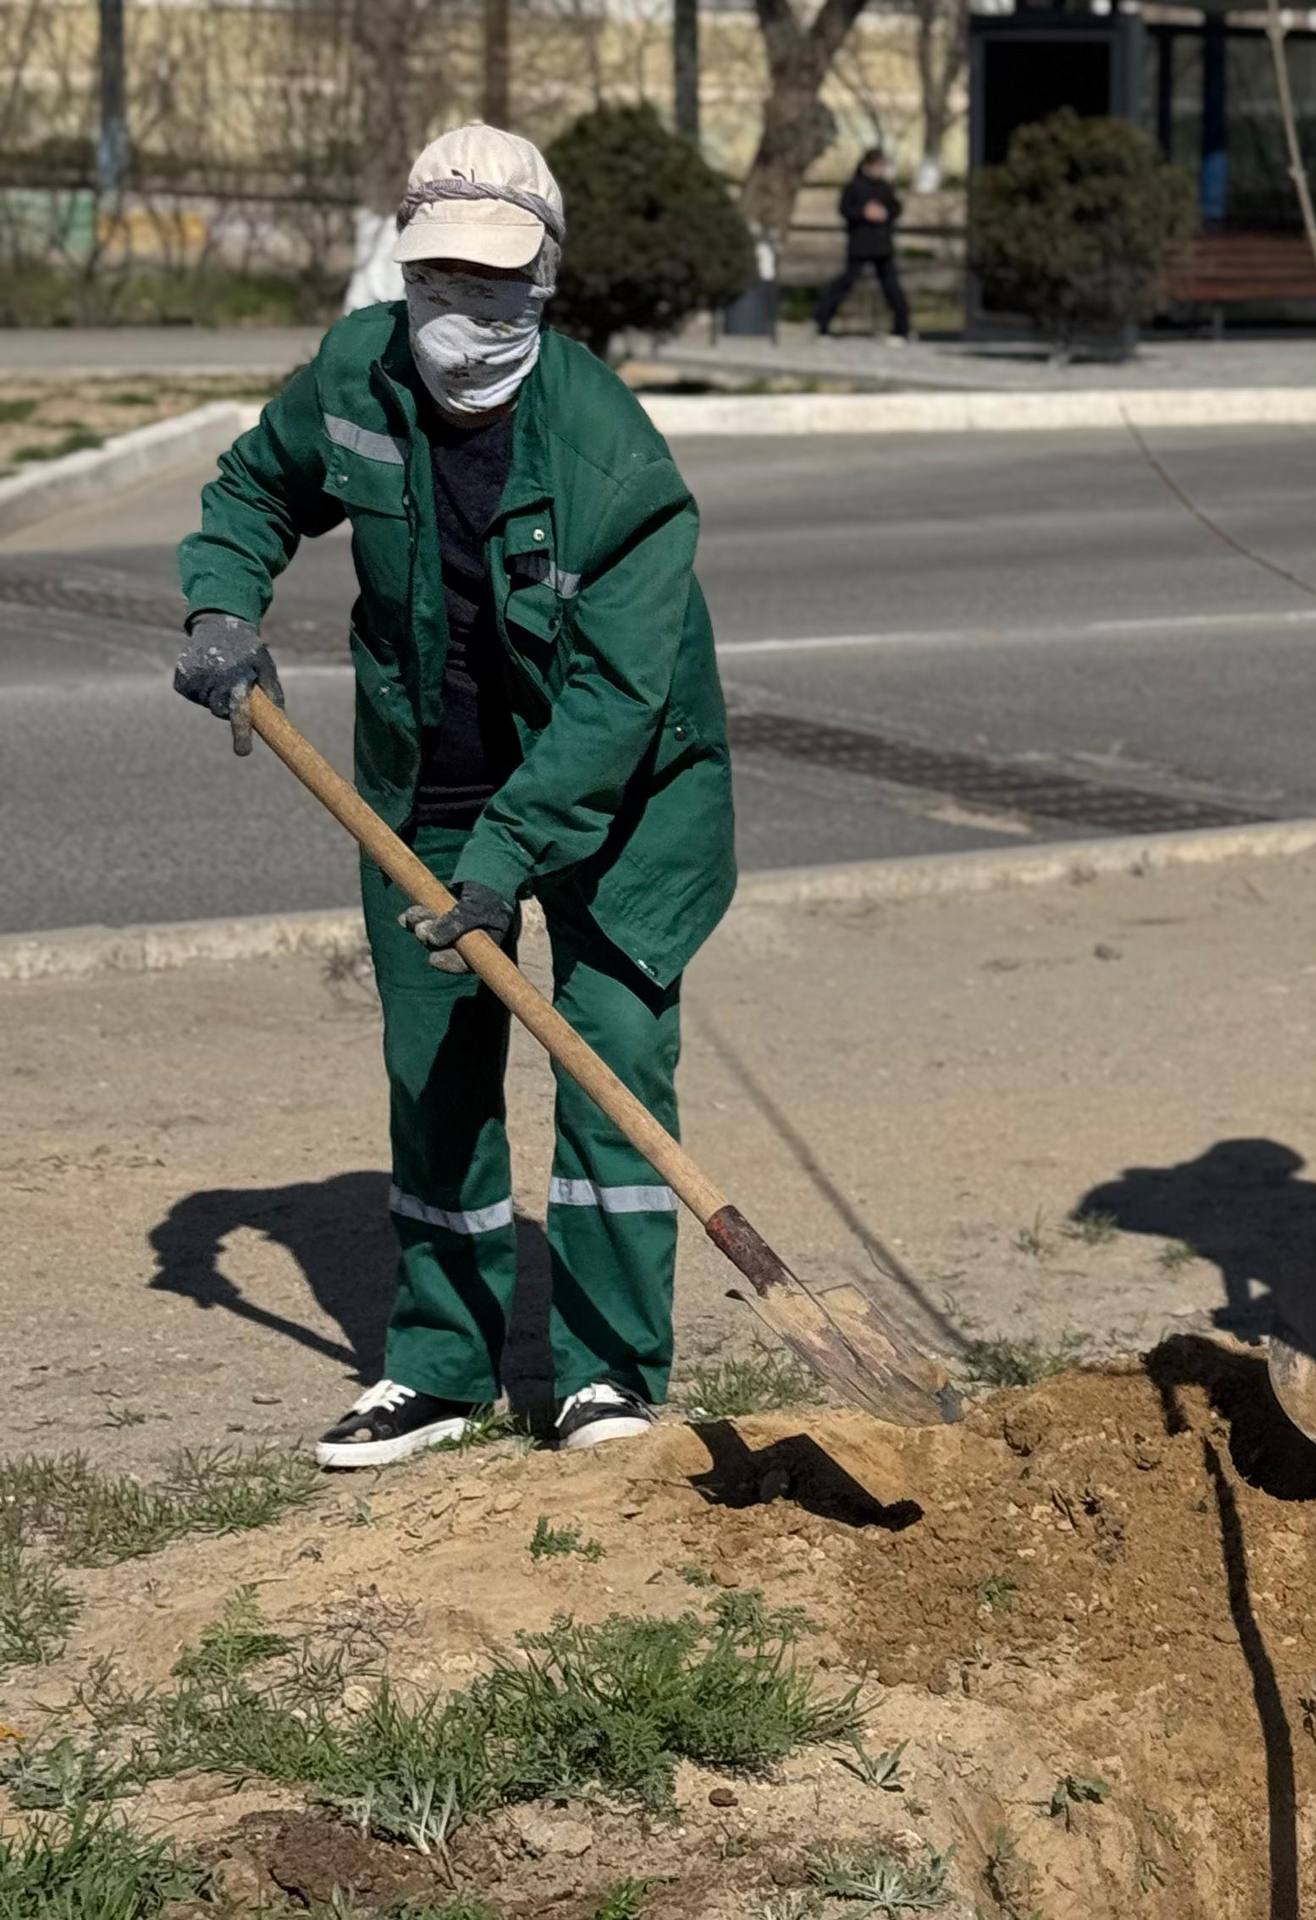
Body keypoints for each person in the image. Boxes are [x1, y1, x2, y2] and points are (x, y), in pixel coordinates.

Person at [173, 124, 738, 1469]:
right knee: (436, 1073)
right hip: (424, 779)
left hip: (622, 803)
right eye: (438, 282)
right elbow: (256, 487)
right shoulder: (355, 375)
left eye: (492, 287)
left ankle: (606, 1377)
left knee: (611, 1062)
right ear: (404, 271)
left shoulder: (613, 459)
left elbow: (615, 702)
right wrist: (220, 604)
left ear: (543, 285)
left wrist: (507, 854)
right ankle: (438, 1367)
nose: (459, 316)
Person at [815, 147, 911, 343]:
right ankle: (822, 323)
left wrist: (885, 213)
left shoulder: (885, 187)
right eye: (876, 166)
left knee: (892, 287)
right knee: (845, 283)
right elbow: (845, 209)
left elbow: (896, 208)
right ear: (867, 166)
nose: (879, 170)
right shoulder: (854, 186)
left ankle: (902, 329)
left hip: (882, 245)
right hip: (860, 244)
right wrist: (863, 212)